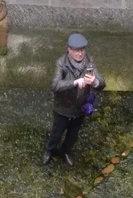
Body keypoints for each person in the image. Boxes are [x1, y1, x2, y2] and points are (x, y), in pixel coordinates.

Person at [43, 33, 106, 168]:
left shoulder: (90, 62)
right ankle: (49, 150)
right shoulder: (61, 63)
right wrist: (75, 82)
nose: (80, 54)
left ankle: (66, 151)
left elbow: (101, 83)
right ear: (69, 50)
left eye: (82, 50)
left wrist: (94, 82)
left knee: (73, 134)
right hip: (63, 107)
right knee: (56, 133)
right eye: (76, 50)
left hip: (80, 108)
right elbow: (54, 85)